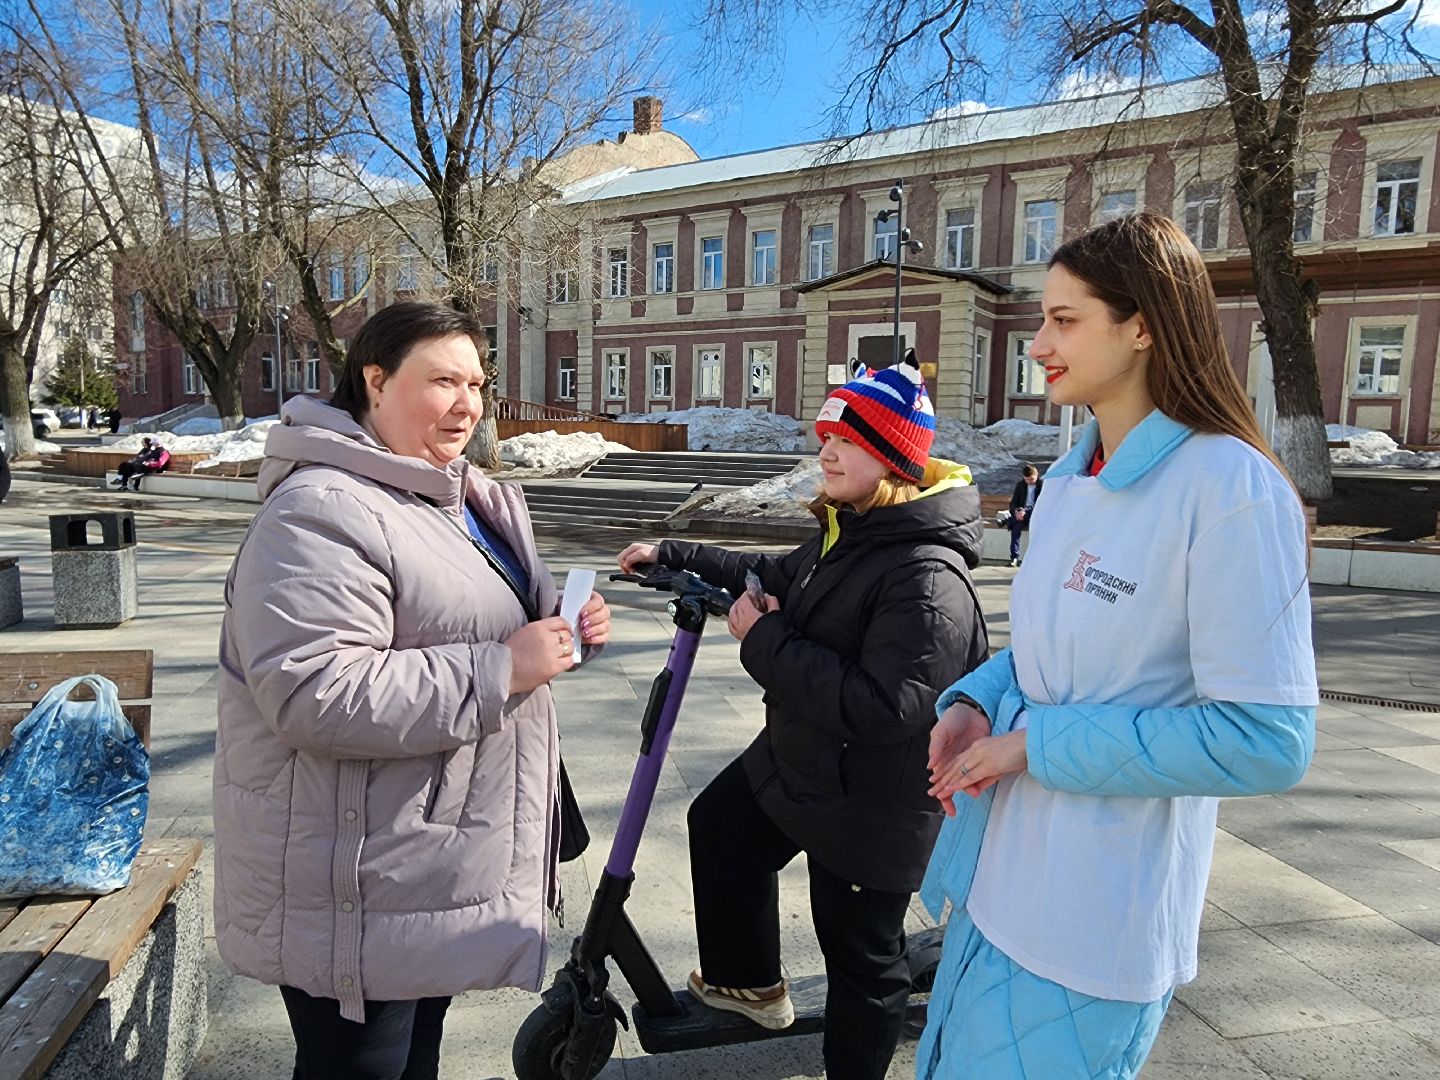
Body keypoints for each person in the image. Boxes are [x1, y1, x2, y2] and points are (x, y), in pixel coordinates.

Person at [918, 213, 1317, 1080]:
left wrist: (1036, 745)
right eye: (1043, 319)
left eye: (1065, 320)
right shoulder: (1070, 480)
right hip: (999, 883)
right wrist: (979, 702)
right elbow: (1057, 653)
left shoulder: (1231, 486)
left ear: (1142, 327)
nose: (1039, 345)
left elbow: (1268, 739)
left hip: (1096, 924)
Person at [212, 301, 612, 1080]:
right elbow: (315, 692)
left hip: (424, 858)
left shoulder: (458, 495)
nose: (467, 404)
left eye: (477, 384)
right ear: (375, 380)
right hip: (355, 873)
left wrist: (565, 626)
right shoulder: (319, 511)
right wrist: (503, 667)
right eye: (443, 382)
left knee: (413, 1058)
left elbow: (475, 619)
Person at [618, 353, 989, 1080]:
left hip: (874, 802)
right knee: (719, 827)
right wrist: (675, 551)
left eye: (848, 440)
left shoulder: (926, 576)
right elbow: (771, 577)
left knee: (860, 959)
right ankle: (750, 989)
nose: (827, 452)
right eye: (827, 437)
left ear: (892, 456)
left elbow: (886, 707)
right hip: (809, 762)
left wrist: (762, 639)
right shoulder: (850, 531)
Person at [1005, 463, 1042, 566]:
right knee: (1015, 529)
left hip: (1036, 514)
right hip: (1021, 515)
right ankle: (1014, 558)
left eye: (1031, 479)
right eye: (1027, 479)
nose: (1029, 481)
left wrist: (1025, 511)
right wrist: (1017, 511)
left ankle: (1008, 520)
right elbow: (1013, 503)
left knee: (1015, 521)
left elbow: (1043, 504)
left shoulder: (1042, 485)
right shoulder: (1020, 485)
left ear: (1037, 475)